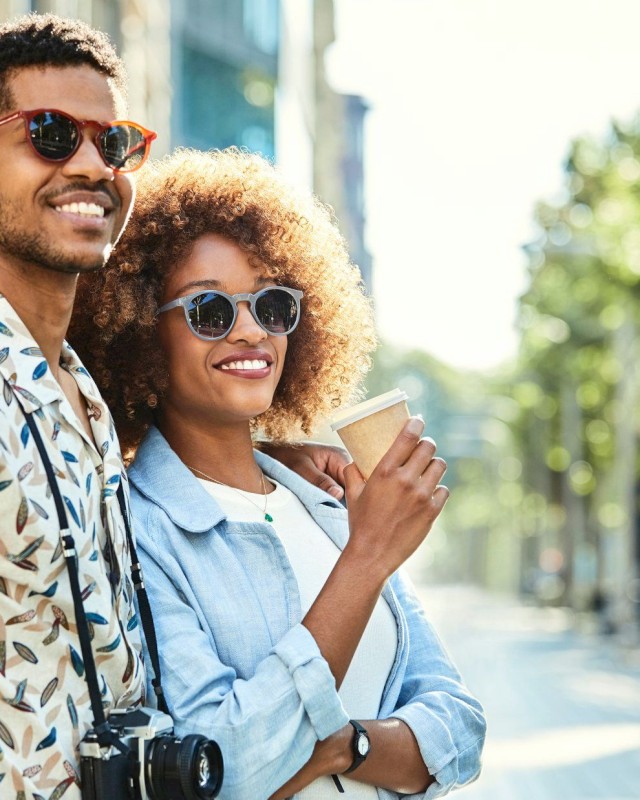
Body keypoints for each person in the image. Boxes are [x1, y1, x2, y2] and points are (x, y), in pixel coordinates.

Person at [0, 14, 364, 798]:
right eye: (53, 133)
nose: (93, 165)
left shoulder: (85, 401)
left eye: (115, 141)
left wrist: (265, 463)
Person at [70, 147, 486, 799]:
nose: (250, 332)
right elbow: (226, 769)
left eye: (271, 306)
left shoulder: (326, 503)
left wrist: (341, 746)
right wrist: (368, 557)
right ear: (141, 333)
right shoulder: (136, 529)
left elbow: (460, 728)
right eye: (210, 311)